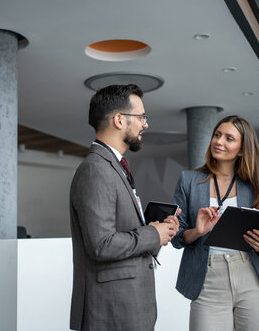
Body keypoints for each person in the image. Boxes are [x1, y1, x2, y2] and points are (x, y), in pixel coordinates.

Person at [69, 84, 180, 331]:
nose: (145, 124)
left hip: (126, 304)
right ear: (119, 120)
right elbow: (101, 244)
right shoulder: (96, 170)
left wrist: (158, 232)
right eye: (141, 117)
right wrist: (153, 234)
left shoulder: (114, 167)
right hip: (112, 309)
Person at [171, 115, 259, 331]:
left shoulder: (257, 187)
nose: (219, 141)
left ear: (242, 149)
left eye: (229, 138)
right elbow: (176, 237)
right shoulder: (189, 181)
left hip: (252, 276)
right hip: (207, 279)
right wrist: (197, 231)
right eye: (217, 135)